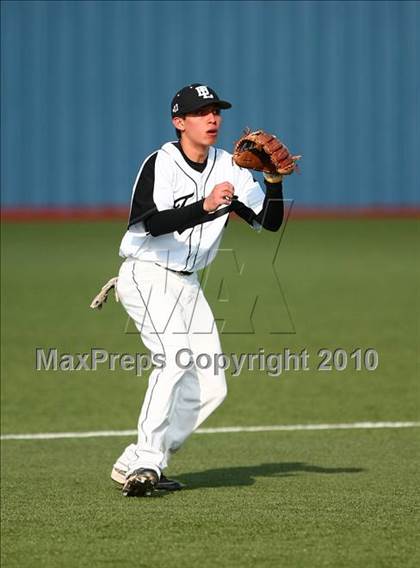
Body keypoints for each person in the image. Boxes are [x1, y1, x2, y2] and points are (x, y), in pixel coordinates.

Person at [111, 83, 285, 496]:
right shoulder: (161, 163)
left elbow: (269, 223)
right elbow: (150, 223)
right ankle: (149, 464)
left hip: (188, 284)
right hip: (146, 273)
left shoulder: (230, 166)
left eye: (216, 111)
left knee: (211, 386)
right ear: (179, 122)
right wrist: (203, 206)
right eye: (202, 112)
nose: (212, 119)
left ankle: (137, 459)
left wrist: (274, 181)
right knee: (173, 360)